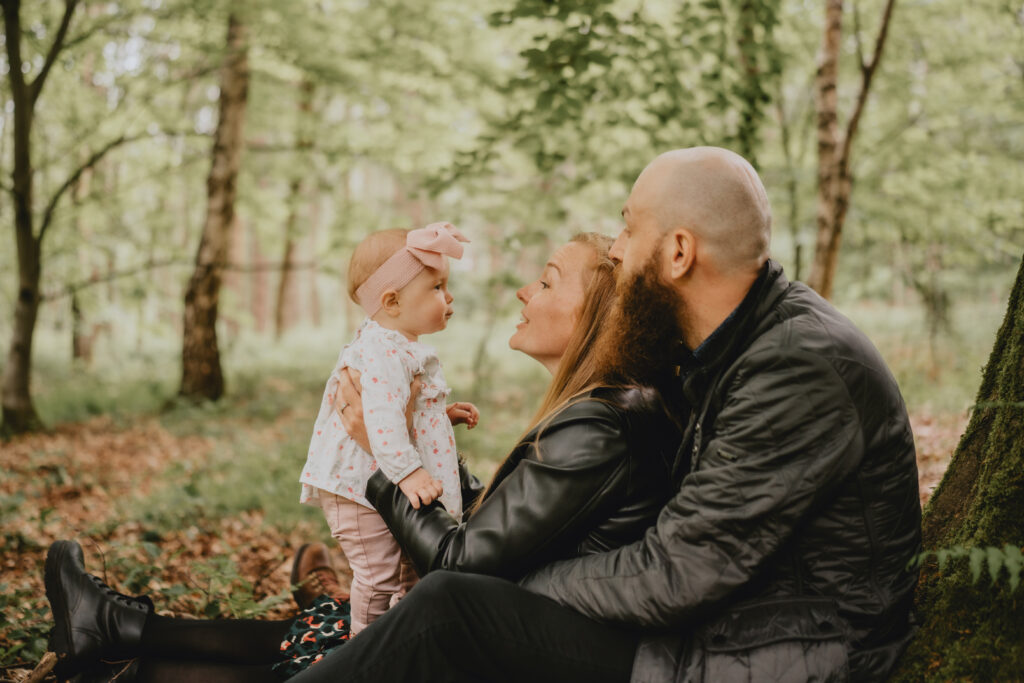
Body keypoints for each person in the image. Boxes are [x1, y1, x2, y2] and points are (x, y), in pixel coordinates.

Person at [279, 146, 922, 682]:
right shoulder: (734, 346)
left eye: (628, 227)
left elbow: (676, 572)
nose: (617, 249)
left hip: (784, 654)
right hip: (737, 626)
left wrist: (511, 582)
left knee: (451, 607)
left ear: (677, 252)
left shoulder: (795, 365)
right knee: (448, 603)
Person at [43, 232, 681, 682]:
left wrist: (383, 459)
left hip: (519, 634)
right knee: (332, 626)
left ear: (597, 317)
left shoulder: (601, 425)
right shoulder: (594, 413)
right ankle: (118, 633)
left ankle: (121, 638)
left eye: (545, 281)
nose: (522, 291)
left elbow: (458, 558)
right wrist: (430, 441)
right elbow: (508, 527)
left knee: (361, 629)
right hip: (516, 612)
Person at [298, 221, 479, 634]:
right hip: (359, 490)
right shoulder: (381, 351)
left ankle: (400, 638)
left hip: (377, 481)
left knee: (412, 572)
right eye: (436, 288)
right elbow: (381, 419)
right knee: (378, 577)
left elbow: (398, 410)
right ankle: (365, 650)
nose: (448, 298)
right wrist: (410, 471)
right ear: (392, 301)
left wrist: (438, 415)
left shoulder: (396, 346)